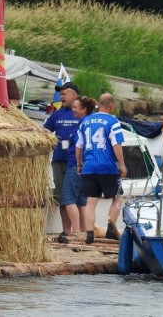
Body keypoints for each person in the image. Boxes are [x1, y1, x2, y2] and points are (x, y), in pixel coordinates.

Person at [75, 93, 127, 244]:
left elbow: (78, 147)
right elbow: (116, 144)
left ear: (99, 104)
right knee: (118, 197)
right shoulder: (113, 121)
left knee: (91, 201)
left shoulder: (85, 122)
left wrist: (79, 164)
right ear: (111, 106)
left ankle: (89, 232)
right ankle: (111, 223)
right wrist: (122, 164)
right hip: (107, 166)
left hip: (89, 167)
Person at [43, 81, 80, 243]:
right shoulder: (57, 114)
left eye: (64, 94)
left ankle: (79, 231)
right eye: (61, 94)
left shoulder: (81, 113)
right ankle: (66, 231)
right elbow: (44, 132)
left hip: (76, 163)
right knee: (62, 197)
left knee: (75, 197)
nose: (61, 97)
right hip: (58, 160)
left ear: (74, 95)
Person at [60, 96, 95, 241]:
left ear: (84, 109)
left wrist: (79, 163)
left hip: (76, 164)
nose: (73, 110)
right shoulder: (88, 123)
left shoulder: (82, 124)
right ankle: (84, 232)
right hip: (85, 167)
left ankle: (76, 232)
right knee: (81, 200)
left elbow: (80, 146)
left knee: (68, 198)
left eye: (76, 107)